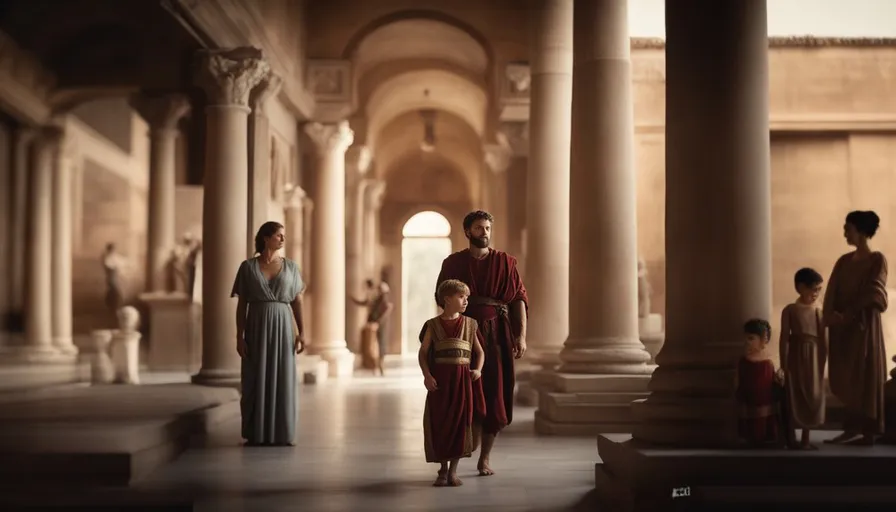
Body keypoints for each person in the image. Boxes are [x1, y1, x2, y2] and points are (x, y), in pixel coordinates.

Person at [434, 210, 528, 476]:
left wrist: (521, 335)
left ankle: (484, 458)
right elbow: (442, 298)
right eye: (478, 228)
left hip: (497, 333)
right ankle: (453, 459)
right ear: (468, 232)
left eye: (487, 228)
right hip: (462, 334)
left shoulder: (506, 263)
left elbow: (518, 299)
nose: (484, 232)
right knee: (461, 391)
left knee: (495, 392)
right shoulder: (452, 263)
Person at [231, 221, 306, 446]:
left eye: (284, 235)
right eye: (278, 235)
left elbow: (297, 301)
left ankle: (282, 432)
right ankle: (256, 431)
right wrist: (239, 335)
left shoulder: (292, 267)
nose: (283, 239)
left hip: (283, 327)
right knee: (255, 377)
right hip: (256, 326)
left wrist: (302, 332)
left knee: (283, 377)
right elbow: (242, 303)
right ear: (266, 238)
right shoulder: (247, 267)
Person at [823, 210, 888, 446]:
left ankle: (869, 430)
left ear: (861, 231)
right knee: (847, 376)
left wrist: (849, 314)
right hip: (842, 330)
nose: (844, 233)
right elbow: (831, 291)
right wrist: (831, 317)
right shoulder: (843, 261)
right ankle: (850, 428)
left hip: (863, 326)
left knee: (865, 373)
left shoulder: (877, 259)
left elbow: (875, 291)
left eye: (848, 228)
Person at [419, 279, 486, 487]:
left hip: (462, 382)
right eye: (461, 297)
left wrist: (478, 370)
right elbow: (423, 353)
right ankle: (442, 469)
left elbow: (479, 352)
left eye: (467, 297)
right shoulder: (433, 325)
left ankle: (453, 471)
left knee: (459, 422)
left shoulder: (470, 323)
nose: (466, 301)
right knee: (440, 422)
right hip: (441, 381)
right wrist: (427, 375)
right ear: (447, 299)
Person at [779, 267, 827, 450]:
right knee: (794, 392)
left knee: (812, 394)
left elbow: (824, 339)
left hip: (814, 358)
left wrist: (823, 360)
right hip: (795, 357)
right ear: (800, 287)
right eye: (813, 289)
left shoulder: (819, 312)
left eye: (819, 290)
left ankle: (806, 439)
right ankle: (791, 438)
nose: (816, 294)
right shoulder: (790, 310)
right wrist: (783, 363)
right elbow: (784, 338)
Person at [736, 318, 782, 447]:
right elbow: (740, 379)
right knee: (751, 426)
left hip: (765, 398)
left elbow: (774, 377)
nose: (747, 342)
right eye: (746, 338)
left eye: (751, 338)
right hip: (749, 398)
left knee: (764, 422)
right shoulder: (744, 361)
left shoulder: (769, 361)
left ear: (764, 340)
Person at [352, 275, 394, 375]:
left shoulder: (383, 299)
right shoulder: (377, 298)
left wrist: (378, 322)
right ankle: (375, 365)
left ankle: (380, 365)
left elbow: (386, 310)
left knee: (380, 344)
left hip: (379, 325)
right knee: (374, 345)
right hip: (374, 324)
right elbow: (367, 304)